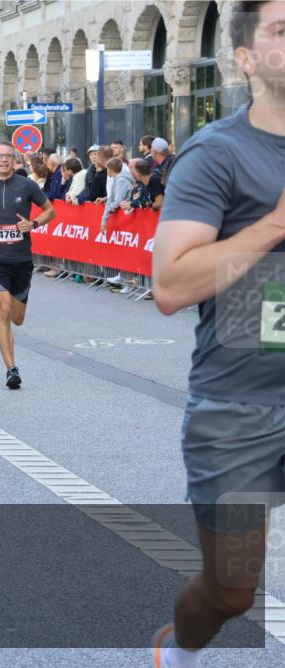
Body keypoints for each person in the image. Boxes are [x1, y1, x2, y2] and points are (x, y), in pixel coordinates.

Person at [152, 3, 285, 667]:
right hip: (240, 408)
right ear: (244, 58)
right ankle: (177, 654)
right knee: (232, 592)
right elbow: (170, 286)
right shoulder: (218, 154)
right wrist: (270, 226)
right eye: (283, 30)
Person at [0, 143, 56, 389]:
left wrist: (34, 224)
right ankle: (11, 369)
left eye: (8, 157)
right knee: (4, 306)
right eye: (0, 157)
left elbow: (50, 211)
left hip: (21, 260)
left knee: (16, 318)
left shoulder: (26, 185)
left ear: (14, 160)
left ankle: (3, 310)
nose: (4, 160)